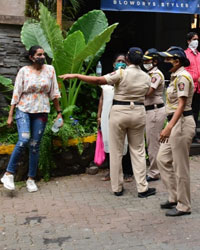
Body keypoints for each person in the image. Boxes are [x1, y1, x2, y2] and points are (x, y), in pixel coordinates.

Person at [60, 47, 156, 198]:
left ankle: (117, 187)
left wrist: (77, 75)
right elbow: (147, 93)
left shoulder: (121, 73)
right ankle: (142, 188)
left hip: (119, 111)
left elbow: (99, 80)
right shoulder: (146, 77)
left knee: (116, 151)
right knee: (138, 151)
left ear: (128, 60)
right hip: (138, 111)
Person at [0, 45, 62, 192]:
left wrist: (59, 112)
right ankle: (8, 174)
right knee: (24, 139)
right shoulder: (24, 71)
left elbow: (54, 93)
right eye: (39, 54)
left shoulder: (50, 70)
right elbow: (16, 93)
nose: (42, 57)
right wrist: (10, 115)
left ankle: (31, 179)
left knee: (35, 145)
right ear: (31, 57)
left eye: (43, 54)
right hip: (24, 110)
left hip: (41, 112)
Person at [157, 46, 195, 216]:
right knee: (162, 159)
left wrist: (168, 127)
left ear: (177, 61)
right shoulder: (174, 77)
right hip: (175, 123)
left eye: (167, 59)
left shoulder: (183, 78)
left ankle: (184, 205)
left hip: (181, 123)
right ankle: (173, 197)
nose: (164, 62)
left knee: (181, 167)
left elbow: (181, 105)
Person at [97, 53, 133, 182]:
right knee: (108, 143)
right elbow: (102, 99)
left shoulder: (128, 78)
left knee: (125, 142)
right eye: (118, 61)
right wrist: (99, 115)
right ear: (113, 64)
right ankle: (112, 171)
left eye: (123, 61)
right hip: (107, 116)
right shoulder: (107, 79)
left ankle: (127, 171)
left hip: (122, 115)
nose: (121, 63)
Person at [143, 48, 166, 182]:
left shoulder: (156, 74)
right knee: (151, 142)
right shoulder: (149, 74)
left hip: (155, 111)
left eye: (148, 60)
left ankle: (154, 172)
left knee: (153, 144)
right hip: (150, 110)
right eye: (144, 60)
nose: (145, 63)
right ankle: (156, 169)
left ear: (155, 61)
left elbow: (149, 92)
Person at [185, 32, 200, 143]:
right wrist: (195, 78)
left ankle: (194, 135)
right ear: (188, 41)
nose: (196, 41)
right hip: (190, 87)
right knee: (189, 112)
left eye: (197, 39)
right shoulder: (185, 55)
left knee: (196, 111)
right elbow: (185, 72)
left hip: (199, 88)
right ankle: (190, 135)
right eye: (194, 39)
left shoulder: (199, 55)